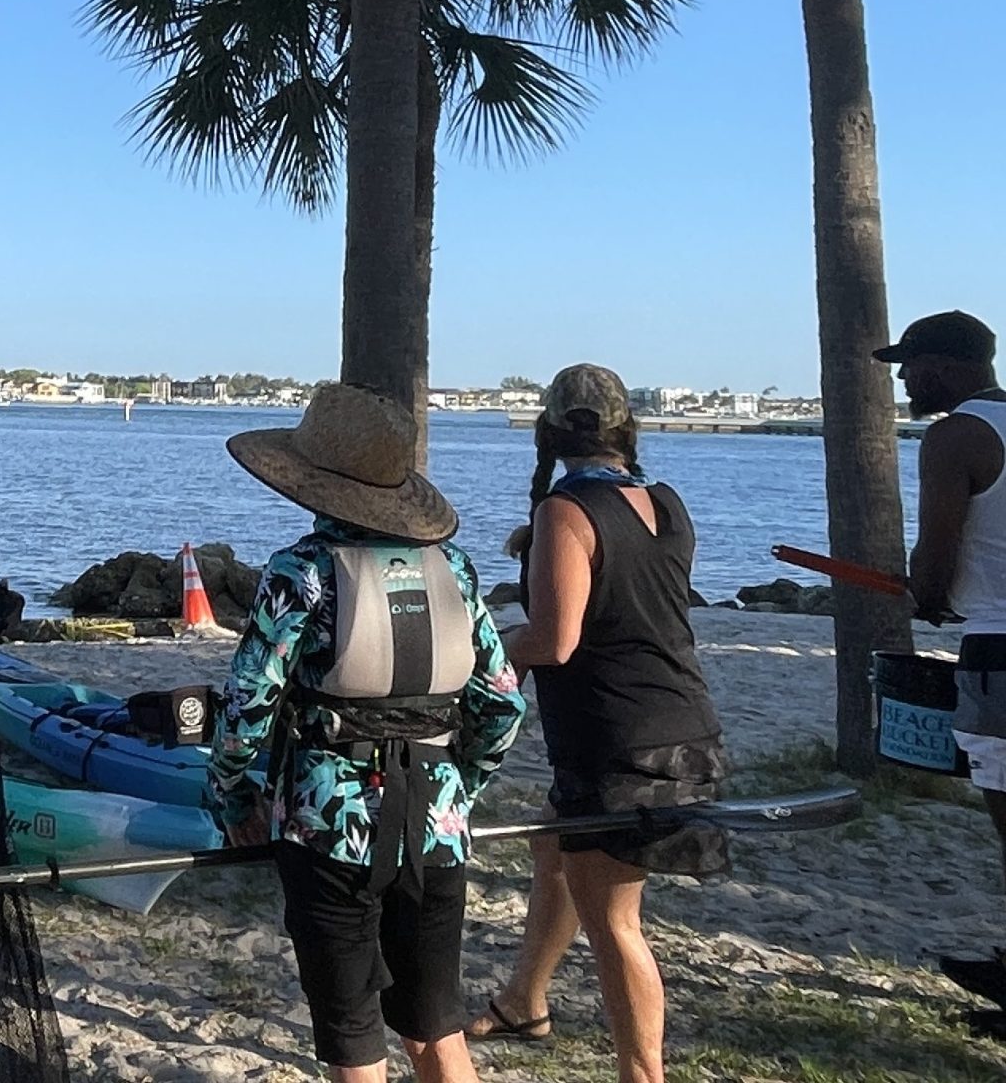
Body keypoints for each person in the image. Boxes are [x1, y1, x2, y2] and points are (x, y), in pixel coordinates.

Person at [212, 384, 525, 1083]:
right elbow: (503, 706)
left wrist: (232, 797)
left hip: (330, 827)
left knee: (353, 1038)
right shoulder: (457, 570)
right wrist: (458, 788)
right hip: (435, 822)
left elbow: (249, 702)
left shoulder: (303, 571)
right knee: (434, 1026)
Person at [473, 364, 726, 1083]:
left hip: (617, 739)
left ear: (550, 431)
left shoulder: (565, 510)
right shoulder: (666, 502)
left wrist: (486, 654)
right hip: (687, 723)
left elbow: (555, 639)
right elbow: (625, 586)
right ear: (626, 430)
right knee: (552, 850)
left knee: (615, 922)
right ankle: (525, 999)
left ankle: (642, 1074)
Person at [887, 311, 1006, 1002]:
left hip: (997, 645)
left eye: (910, 364)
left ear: (945, 367)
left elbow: (936, 555)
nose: (903, 378)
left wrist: (926, 593)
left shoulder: (956, 435)